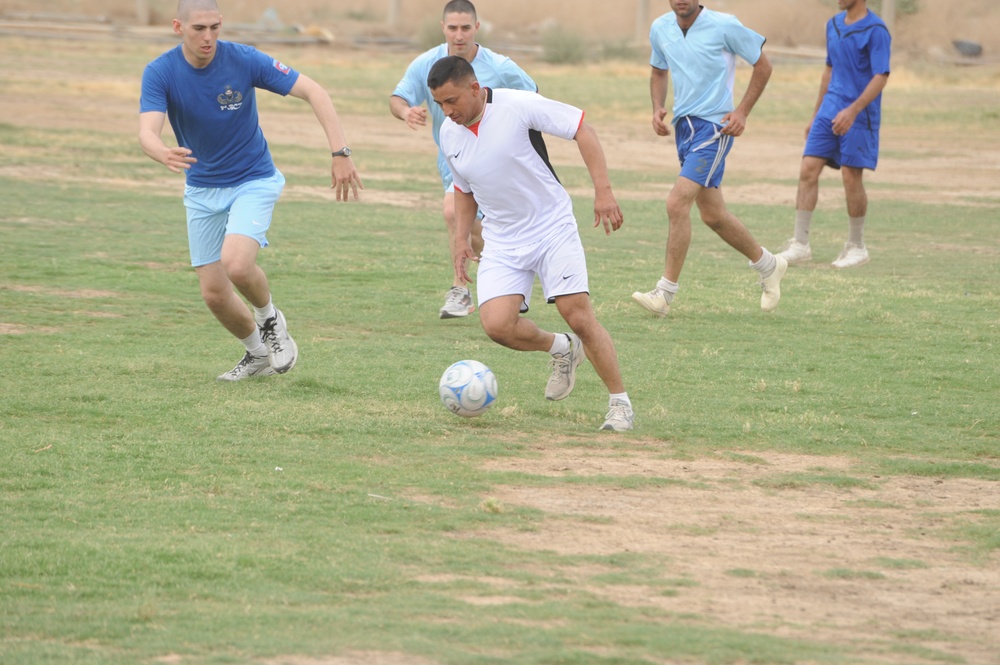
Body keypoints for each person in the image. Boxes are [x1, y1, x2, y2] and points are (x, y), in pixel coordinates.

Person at [138, 0, 363, 381]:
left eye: (214, 27)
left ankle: (270, 320)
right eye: (198, 29)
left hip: (252, 179)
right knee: (213, 293)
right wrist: (160, 151)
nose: (208, 36)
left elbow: (314, 91)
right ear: (178, 27)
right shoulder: (160, 72)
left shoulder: (243, 59)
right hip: (202, 187)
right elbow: (147, 131)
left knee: (237, 264)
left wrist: (340, 152)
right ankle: (257, 354)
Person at [427, 56, 634, 432]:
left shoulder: (517, 105)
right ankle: (561, 349)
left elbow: (582, 128)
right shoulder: (449, 133)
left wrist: (603, 192)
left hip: (551, 225)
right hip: (503, 238)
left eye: (451, 101)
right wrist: (460, 239)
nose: (447, 111)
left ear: (474, 88)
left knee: (578, 314)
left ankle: (619, 403)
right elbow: (463, 188)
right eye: (440, 103)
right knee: (497, 326)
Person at [631, 0, 785, 319]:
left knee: (677, 203)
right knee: (713, 215)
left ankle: (664, 293)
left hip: (715, 127)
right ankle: (769, 265)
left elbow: (764, 65)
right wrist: (657, 106)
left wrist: (741, 111)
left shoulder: (725, 25)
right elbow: (659, 70)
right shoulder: (660, 28)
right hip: (683, 127)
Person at [390, 0, 537, 320]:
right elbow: (397, 97)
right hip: (453, 160)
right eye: (453, 28)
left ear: (477, 28)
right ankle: (503, 283)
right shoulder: (428, 63)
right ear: (443, 28)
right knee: (475, 226)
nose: (459, 35)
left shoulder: (500, 67)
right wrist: (406, 111)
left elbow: (532, 97)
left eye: (465, 28)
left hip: (497, 161)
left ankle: (466, 289)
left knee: (458, 217)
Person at [776, 0, 891, 269]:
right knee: (808, 169)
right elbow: (829, 70)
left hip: (859, 115)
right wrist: (816, 114)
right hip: (830, 108)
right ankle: (800, 244)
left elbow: (881, 76)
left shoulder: (876, 30)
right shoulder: (833, 25)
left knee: (851, 176)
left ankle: (857, 247)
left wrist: (852, 111)